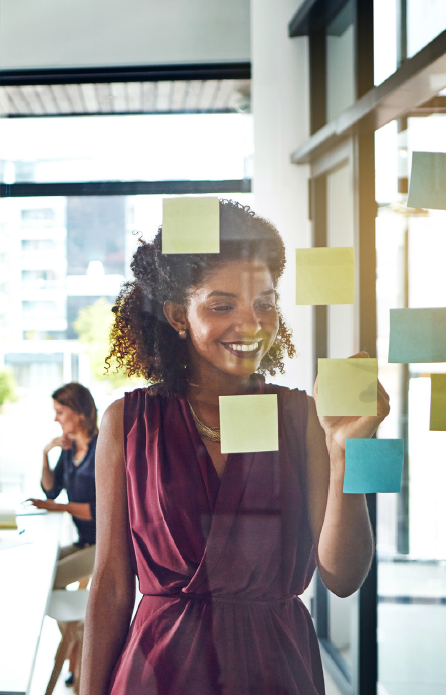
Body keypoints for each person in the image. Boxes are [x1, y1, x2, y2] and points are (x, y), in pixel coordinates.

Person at [81, 200, 385, 695]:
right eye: (222, 305)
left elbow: (343, 576)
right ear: (179, 314)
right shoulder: (129, 422)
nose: (251, 324)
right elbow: (112, 583)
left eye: (264, 303)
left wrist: (347, 449)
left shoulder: (302, 416)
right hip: (157, 675)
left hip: (275, 670)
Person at [28, 382, 101, 687]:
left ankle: (75, 643)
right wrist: (47, 451)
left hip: (104, 544)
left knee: (50, 580)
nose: (56, 418)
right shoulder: (70, 450)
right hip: (84, 541)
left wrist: (58, 508)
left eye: (60, 412)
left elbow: (98, 510)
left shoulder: (101, 448)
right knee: (39, 570)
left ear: (79, 413)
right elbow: (50, 489)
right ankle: (77, 638)